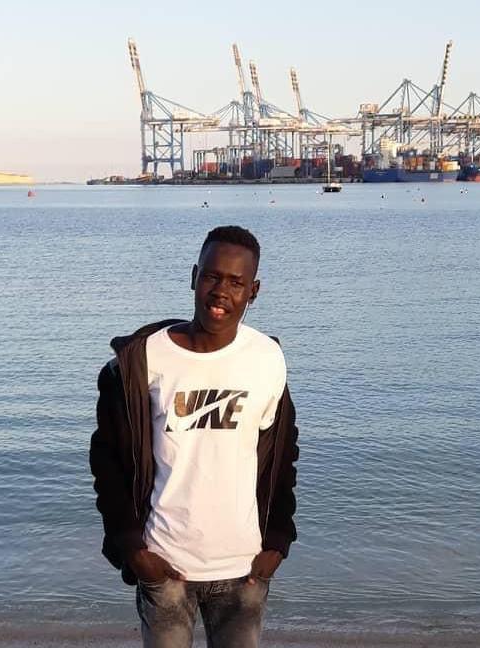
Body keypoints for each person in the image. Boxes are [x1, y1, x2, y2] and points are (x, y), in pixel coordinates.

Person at [91, 225, 299, 648]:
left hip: (243, 569)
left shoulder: (267, 359)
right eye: (212, 276)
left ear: (254, 291)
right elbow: (107, 460)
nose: (221, 291)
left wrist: (276, 542)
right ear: (193, 277)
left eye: (236, 282)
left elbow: (282, 456)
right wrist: (134, 550)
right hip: (165, 565)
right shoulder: (142, 359)